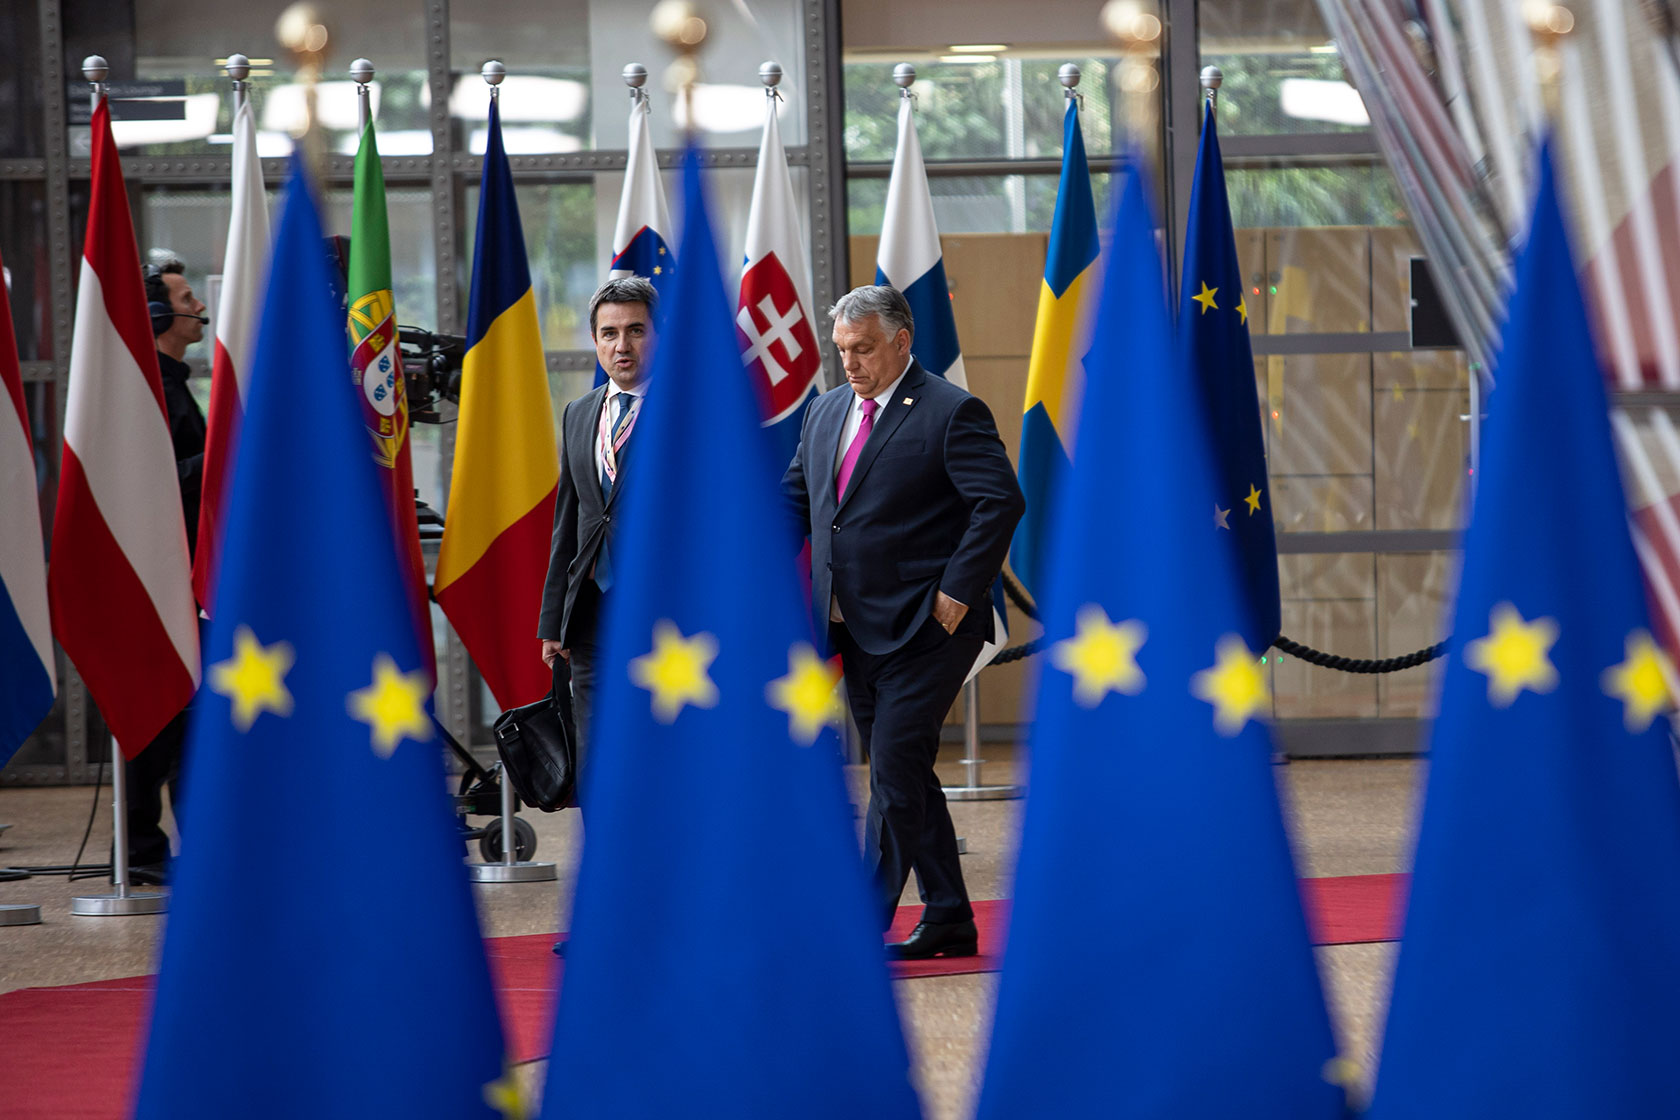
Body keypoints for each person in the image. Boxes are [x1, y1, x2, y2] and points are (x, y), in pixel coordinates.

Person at [781, 284, 1025, 960]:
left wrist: (955, 592)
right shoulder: (826, 412)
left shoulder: (952, 411)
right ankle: (948, 914)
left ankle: (860, 925)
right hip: (853, 626)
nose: (850, 364)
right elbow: (795, 503)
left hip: (929, 627)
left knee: (891, 767)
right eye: (842, 352)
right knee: (908, 773)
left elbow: (999, 502)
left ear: (901, 341)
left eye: (863, 350)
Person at [537, 276, 658, 786]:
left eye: (635, 330)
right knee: (597, 759)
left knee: (658, 752)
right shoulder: (579, 413)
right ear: (595, 341)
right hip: (590, 614)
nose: (621, 345)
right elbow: (571, 520)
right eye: (609, 333)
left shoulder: (689, 413)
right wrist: (552, 619)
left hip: (664, 614)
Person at [124, 257, 209, 884]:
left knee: (186, 718)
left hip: (183, 575)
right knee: (155, 718)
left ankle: (186, 843)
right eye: (186, 298)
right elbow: (149, 486)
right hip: (153, 579)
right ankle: (141, 851)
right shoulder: (147, 386)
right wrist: (223, 455)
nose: (198, 307)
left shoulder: (177, 382)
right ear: (157, 313)